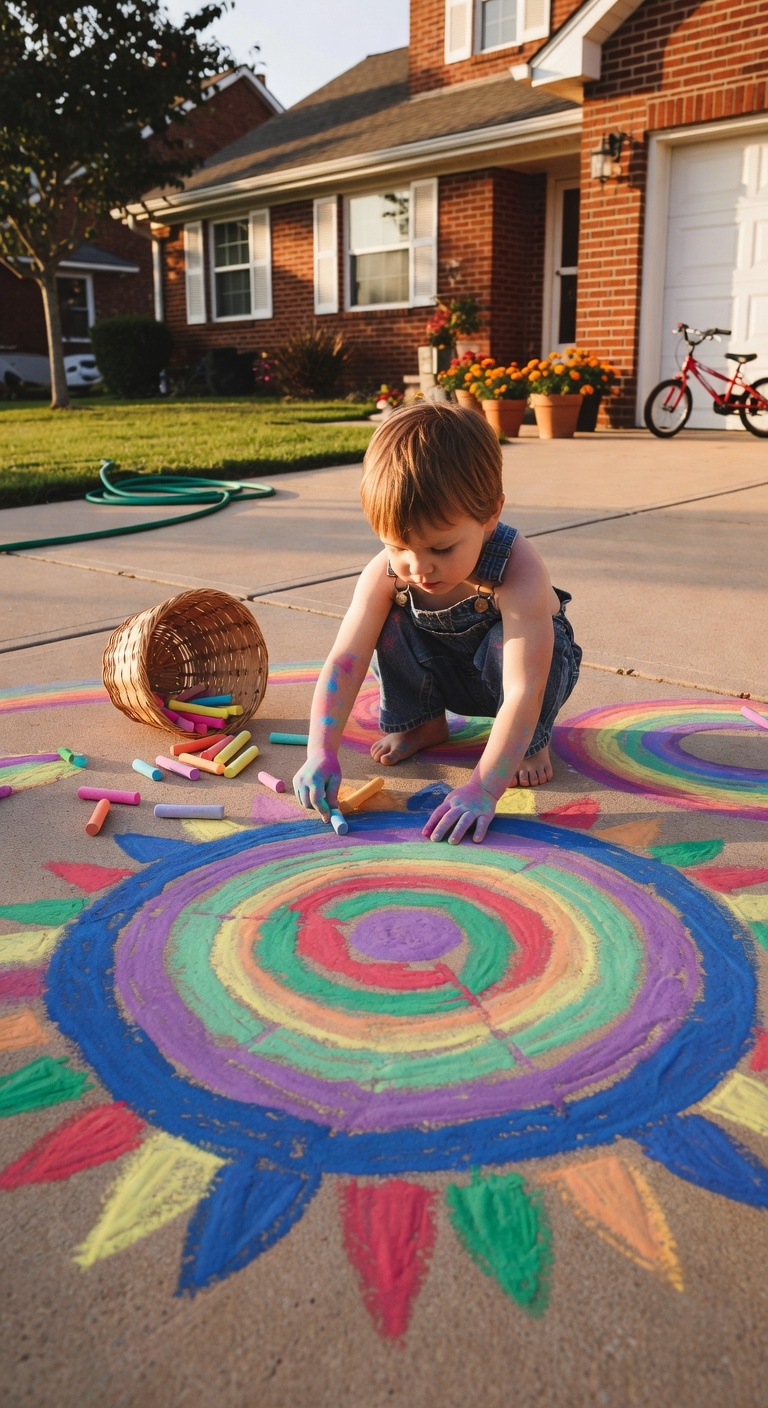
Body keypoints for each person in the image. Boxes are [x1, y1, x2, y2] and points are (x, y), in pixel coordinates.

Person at [293, 400, 582, 844]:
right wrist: (320, 751)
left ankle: (530, 742)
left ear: (490, 514)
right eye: (397, 546)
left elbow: (525, 688)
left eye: (441, 549)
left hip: (518, 680)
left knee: (513, 644)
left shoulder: (518, 571)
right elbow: (345, 661)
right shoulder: (388, 573)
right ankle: (422, 721)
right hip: (446, 672)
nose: (418, 567)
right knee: (388, 621)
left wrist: (483, 787)